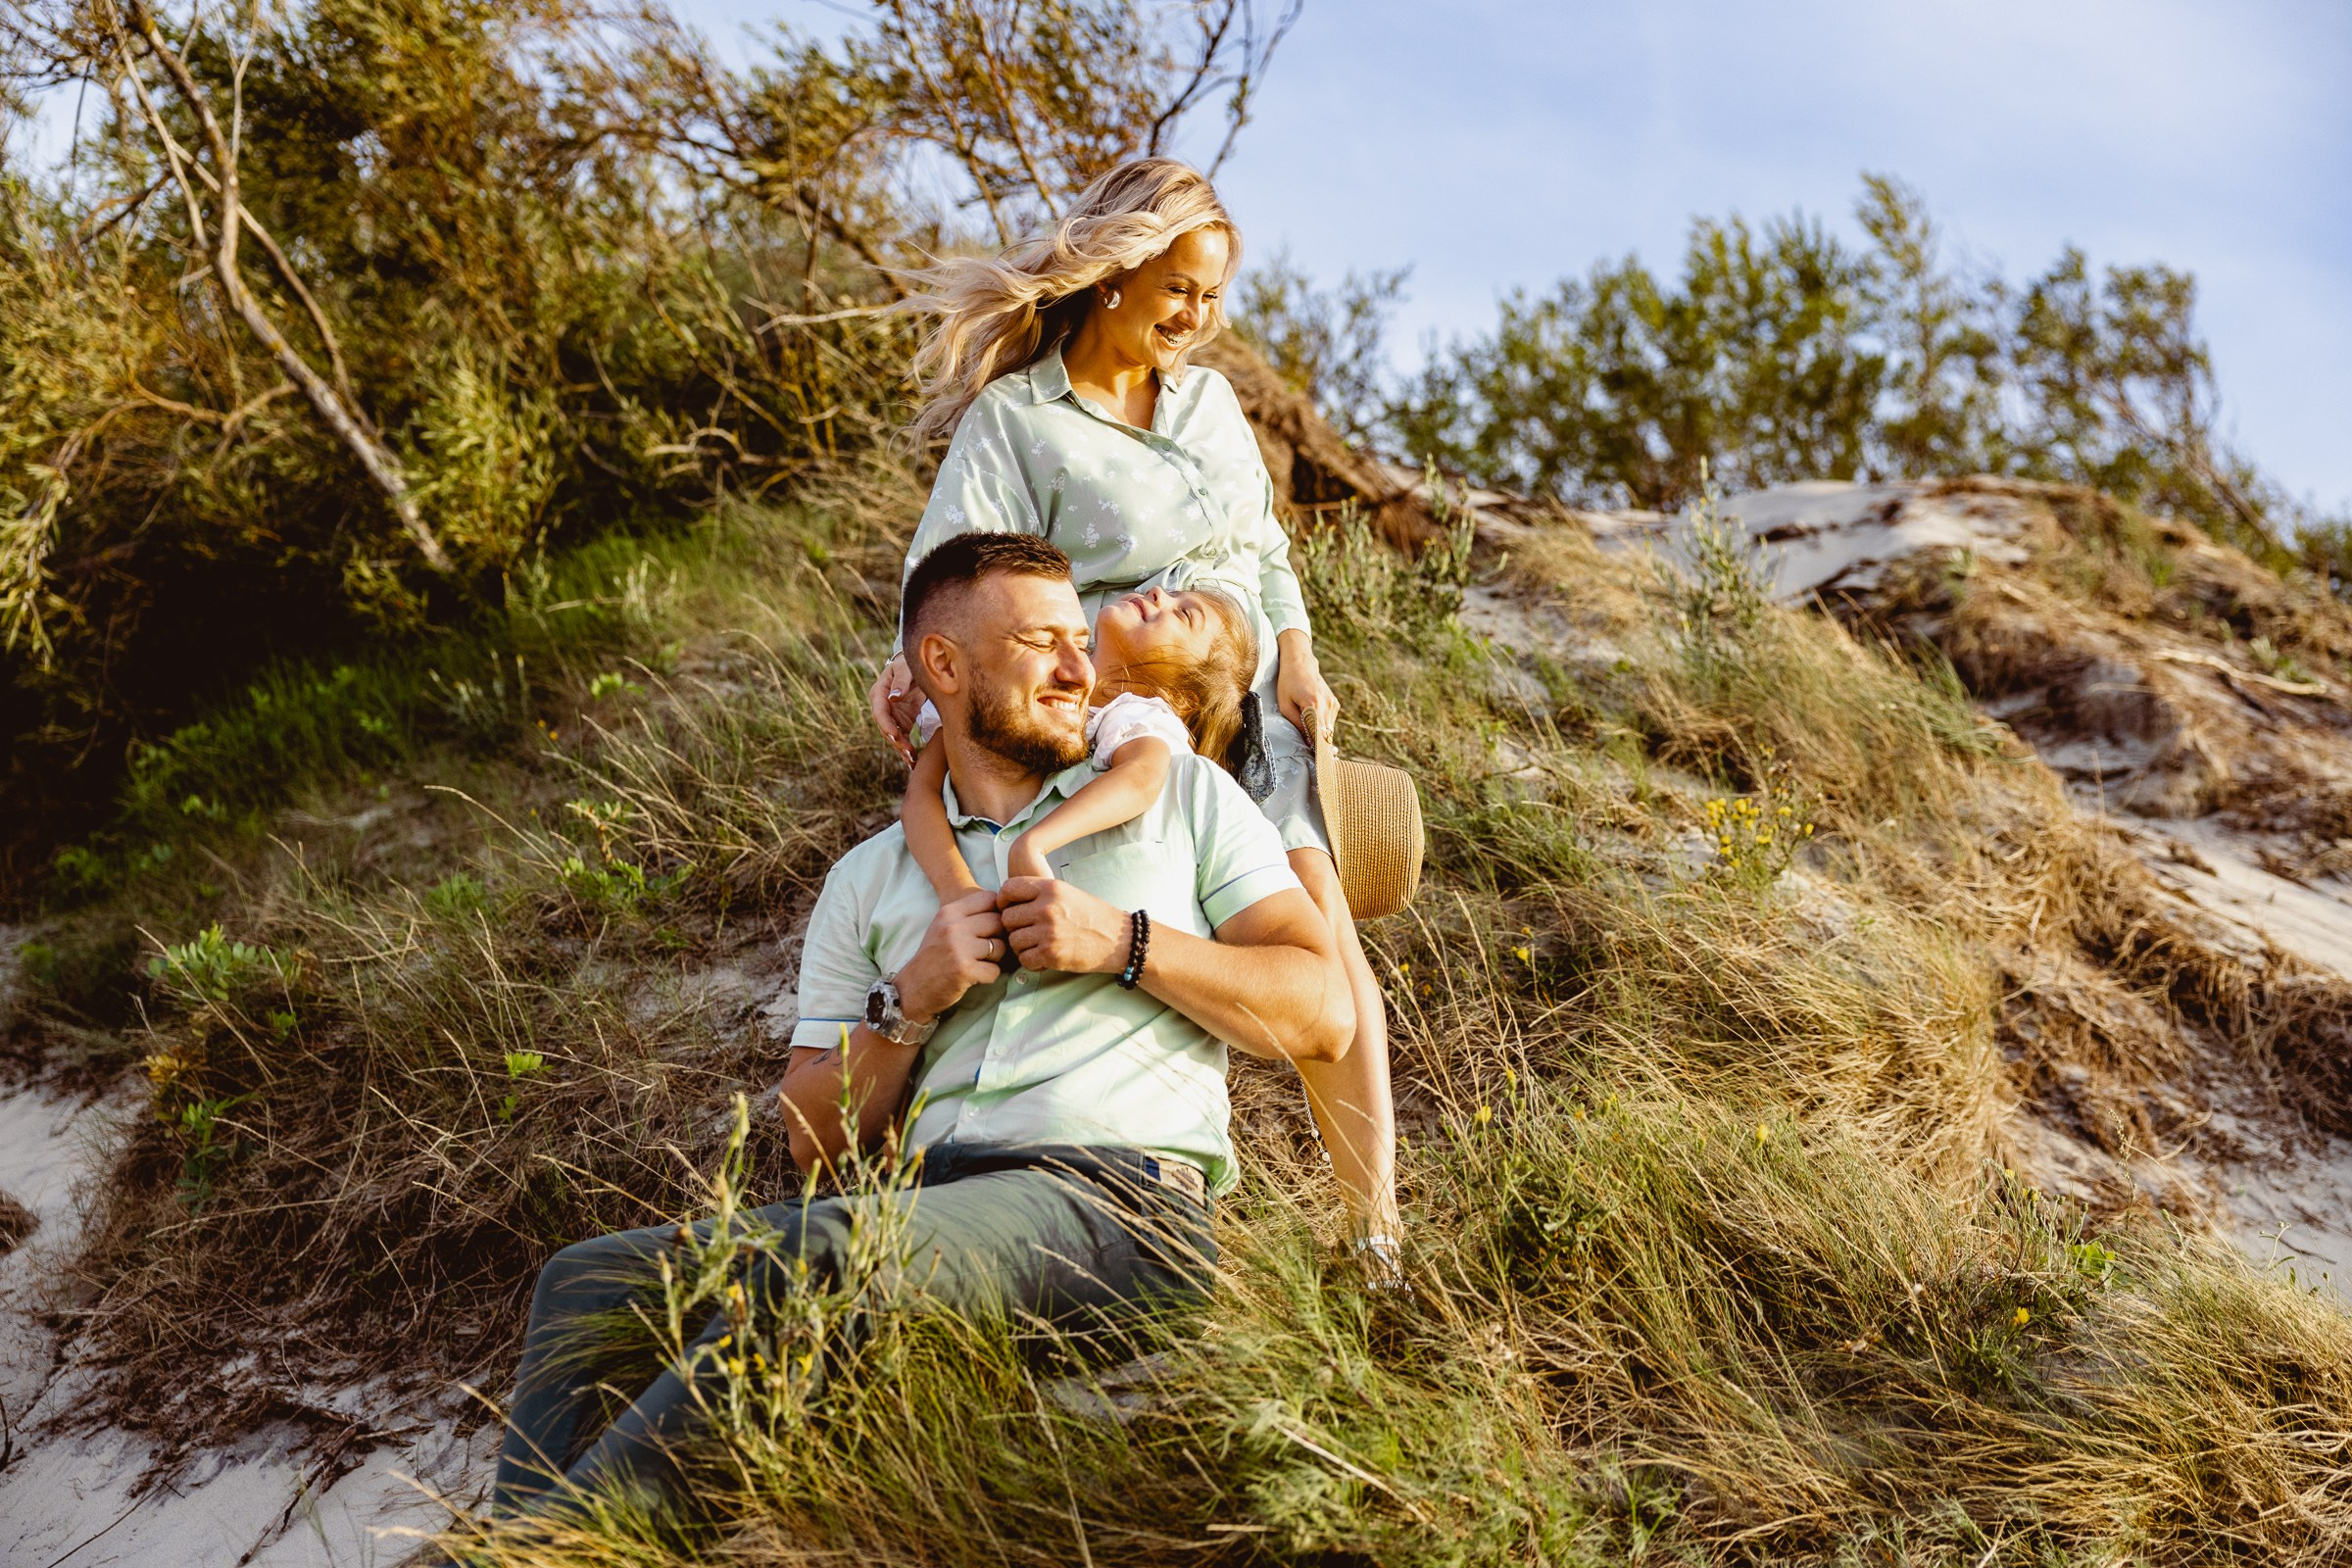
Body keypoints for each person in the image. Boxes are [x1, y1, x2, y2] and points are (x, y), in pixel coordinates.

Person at [480, 532, 1352, 1527]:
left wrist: (1127, 941)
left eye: (1081, 639)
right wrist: (911, 1000)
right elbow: (812, 1140)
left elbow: (1321, 1010)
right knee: (586, 1283)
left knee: (826, 1259)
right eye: (1043, 644)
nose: (1082, 670)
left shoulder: (1184, 797)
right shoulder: (869, 876)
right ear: (943, 664)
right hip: (920, 1214)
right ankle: (551, 1548)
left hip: (1118, 1208)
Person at [867, 156, 1401, 1272]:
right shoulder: (1018, 420)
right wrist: (908, 668)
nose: (1199, 319)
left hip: (1245, 697)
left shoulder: (1208, 401)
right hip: (1126, 699)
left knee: (1326, 928)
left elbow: (1261, 545)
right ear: (1113, 277)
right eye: (1180, 290)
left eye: (1214, 297)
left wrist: (1299, 658)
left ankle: (1374, 1228)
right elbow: (952, 571)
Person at [902, 580, 1257, 894]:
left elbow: (1142, 777)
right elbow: (922, 792)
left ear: (1183, 698)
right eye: (1174, 594)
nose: (1159, 592)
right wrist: (955, 890)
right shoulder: (1019, 682)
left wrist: (1036, 842)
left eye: (1184, 615)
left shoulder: (1137, 714)